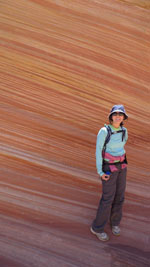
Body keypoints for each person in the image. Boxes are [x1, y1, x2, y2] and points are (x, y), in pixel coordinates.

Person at [90, 104, 128, 241]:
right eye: (115, 114)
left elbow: (122, 146)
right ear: (111, 116)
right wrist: (100, 171)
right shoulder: (104, 131)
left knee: (120, 197)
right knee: (107, 199)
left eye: (120, 114)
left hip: (122, 167)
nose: (118, 116)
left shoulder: (124, 131)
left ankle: (115, 223)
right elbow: (98, 152)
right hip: (108, 168)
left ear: (124, 117)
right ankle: (97, 228)